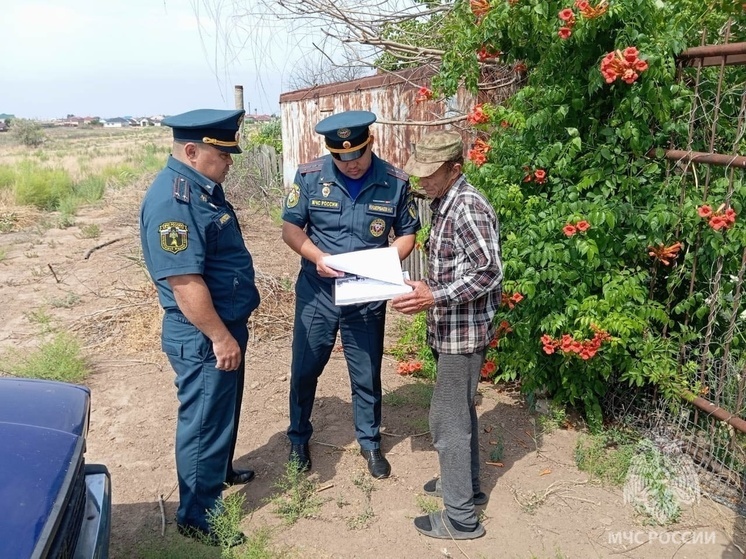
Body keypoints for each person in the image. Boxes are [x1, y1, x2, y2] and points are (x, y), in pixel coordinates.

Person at [139, 108, 260, 546]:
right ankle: (197, 512)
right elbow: (185, 281)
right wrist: (220, 336)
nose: (230, 161)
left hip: (223, 324)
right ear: (192, 151)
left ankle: (219, 470)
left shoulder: (202, 187)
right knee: (204, 419)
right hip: (204, 333)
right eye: (223, 154)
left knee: (221, 409)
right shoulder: (176, 200)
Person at [282, 110, 420, 478]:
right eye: (341, 158)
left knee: (366, 370)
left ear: (369, 144)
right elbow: (291, 229)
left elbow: (407, 233)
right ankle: (298, 437)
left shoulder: (394, 181)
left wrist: (385, 263)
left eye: (356, 155)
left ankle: (370, 443)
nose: (351, 164)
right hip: (318, 291)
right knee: (305, 369)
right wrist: (317, 256)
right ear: (330, 153)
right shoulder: (310, 177)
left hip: (365, 293)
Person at [392, 130, 502, 540]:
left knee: (447, 420)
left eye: (429, 174)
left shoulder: (468, 206)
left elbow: (489, 271)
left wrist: (434, 295)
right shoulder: (445, 201)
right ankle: (467, 488)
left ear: (455, 169)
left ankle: (460, 519)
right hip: (450, 328)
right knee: (460, 412)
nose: (421, 181)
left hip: (463, 334)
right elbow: (453, 266)